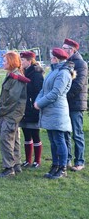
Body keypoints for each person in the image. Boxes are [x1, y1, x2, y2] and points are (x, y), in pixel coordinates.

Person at [35, 48, 75, 179]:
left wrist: (40, 103)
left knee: (59, 140)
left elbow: (55, 93)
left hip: (58, 112)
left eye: (52, 56)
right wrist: (37, 101)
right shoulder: (54, 71)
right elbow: (44, 89)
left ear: (56, 58)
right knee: (53, 141)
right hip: (50, 110)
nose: (50, 58)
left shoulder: (63, 73)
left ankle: (62, 168)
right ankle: (55, 165)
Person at [0, 51, 28, 178]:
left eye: (5, 61)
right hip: (12, 113)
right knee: (14, 140)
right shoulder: (12, 75)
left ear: (11, 62)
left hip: (11, 114)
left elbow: (12, 98)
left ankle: (9, 168)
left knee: (6, 140)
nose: (3, 63)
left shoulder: (15, 76)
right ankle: (16, 165)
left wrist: (2, 110)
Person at [62, 38, 88, 171]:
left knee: (77, 133)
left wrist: (63, 95)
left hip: (76, 103)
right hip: (66, 103)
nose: (63, 50)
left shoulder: (81, 64)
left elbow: (78, 85)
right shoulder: (66, 63)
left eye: (65, 48)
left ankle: (79, 161)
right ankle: (67, 159)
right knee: (66, 132)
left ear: (72, 50)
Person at [19, 51, 44, 168]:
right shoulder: (23, 72)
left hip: (33, 107)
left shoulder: (36, 74)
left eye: (23, 60)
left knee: (35, 134)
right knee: (26, 135)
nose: (21, 62)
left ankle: (37, 161)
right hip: (23, 108)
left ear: (29, 61)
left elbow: (38, 91)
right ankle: (28, 160)